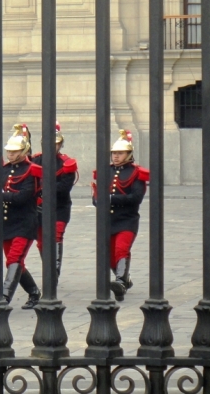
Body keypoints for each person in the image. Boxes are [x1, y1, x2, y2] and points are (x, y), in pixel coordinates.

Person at [92, 129, 148, 302]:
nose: (116, 156)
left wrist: (109, 199)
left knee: (121, 250)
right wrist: (99, 200)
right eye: (114, 153)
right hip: (107, 221)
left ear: (129, 154)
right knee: (109, 256)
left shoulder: (137, 173)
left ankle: (120, 283)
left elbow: (135, 198)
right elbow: (96, 198)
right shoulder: (103, 171)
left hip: (127, 219)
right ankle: (124, 279)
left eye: (120, 153)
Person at [30, 122, 77, 293]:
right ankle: (49, 269)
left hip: (59, 207)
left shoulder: (66, 163)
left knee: (55, 237)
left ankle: (53, 275)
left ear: (60, 144)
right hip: (39, 208)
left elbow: (64, 187)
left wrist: (42, 190)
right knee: (42, 243)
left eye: (56, 143)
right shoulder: (34, 160)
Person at [1, 124, 42, 305]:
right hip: (7, 222)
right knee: (15, 262)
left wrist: (0, 196)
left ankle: (4, 296)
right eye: (9, 151)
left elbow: (24, 196)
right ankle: (33, 292)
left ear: (23, 151)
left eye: (14, 151)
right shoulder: (3, 169)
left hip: (24, 222)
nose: (10, 154)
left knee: (14, 259)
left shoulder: (31, 170)